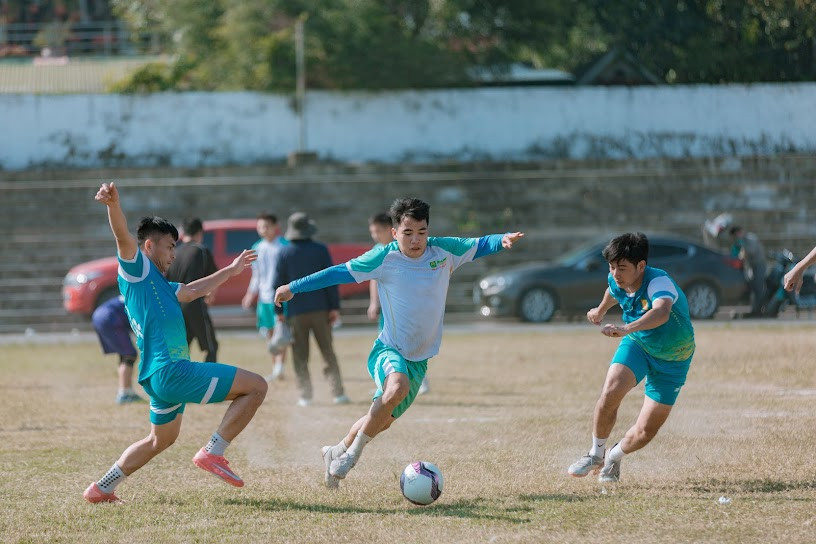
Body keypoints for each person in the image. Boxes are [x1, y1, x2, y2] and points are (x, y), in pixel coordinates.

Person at [274, 197, 523, 488]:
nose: (416, 240)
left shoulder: (444, 250)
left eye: (422, 231)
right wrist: (293, 287)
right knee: (397, 387)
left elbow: (480, 244)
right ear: (394, 233)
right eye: (408, 233)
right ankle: (351, 457)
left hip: (420, 359)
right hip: (389, 350)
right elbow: (337, 272)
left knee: (380, 419)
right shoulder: (383, 257)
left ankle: (336, 451)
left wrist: (501, 239)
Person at [83, 182, 267, 504]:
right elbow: (123, 237)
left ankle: (101, 488)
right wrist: (113, 205)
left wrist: (232, 270)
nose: (174, 254)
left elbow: (194, 290)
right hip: (172, 370)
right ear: (150, 246)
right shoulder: (137, 270)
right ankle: (213, 452)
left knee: (160, 440)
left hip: (157, 376)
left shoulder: (162, 286)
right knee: (256, 387)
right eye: (170, 247)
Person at [567, 232, 695, 483]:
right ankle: (596, 454)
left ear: (641, 266)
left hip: (674, 358)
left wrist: (625, 328)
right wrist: (600, 310)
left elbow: (662, 313)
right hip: (638, 345)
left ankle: (614, 457)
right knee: (610, 391)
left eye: (622, 268)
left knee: (646, 432)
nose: (616, 273)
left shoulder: (659, 283)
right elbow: (613, 289)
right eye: (612, 267)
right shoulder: (617, 278)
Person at [273, 212, 349, 407]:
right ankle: (338, 393)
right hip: (321, 309)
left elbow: (277, 283)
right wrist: (334, 307)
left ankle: (305, 396)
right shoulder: (321, 250)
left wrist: (279, 312)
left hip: (295, 312)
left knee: (300, 354)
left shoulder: (284, 252)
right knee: (327, 351)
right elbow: (332, 280)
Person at [366, 212, 430, 396]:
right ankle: (388, 381)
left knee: (411, 342)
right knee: (388, 345)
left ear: (390, 230)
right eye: (372, 232)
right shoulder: (377, 251)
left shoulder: (407, 249)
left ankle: (420, 380)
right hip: (388, 309)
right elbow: (373, 278)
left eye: (378, 231)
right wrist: (373, 303)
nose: (375, 235)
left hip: (406, 307)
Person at [242, 213, 288, 381]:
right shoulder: (257, 248)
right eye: (260, 226)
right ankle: (275, 366)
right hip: (264, 298)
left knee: (281, 333)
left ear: (276, 227)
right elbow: (256, 275)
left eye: (266, 226)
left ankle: (280, 367)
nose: (263, 230)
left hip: (281, 297)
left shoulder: (284, 245)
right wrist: (250, 294)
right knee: (269, 332)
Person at [165, 217, 219, 362]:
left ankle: (178, 379)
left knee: (182, 347)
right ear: (200, 232)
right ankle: (209, 380)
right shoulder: (201, 250)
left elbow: (167, 279)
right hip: (195, 304)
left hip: (176, 305)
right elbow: (214, 277)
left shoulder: (175, 253)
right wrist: (211, 294)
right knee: (211, 346)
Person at [91, 295, 144, 404]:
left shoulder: (133, 293)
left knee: (125, 354)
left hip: (98, 314)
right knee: (129, 355)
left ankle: (126, 391)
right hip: (110, 316)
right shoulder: (143, 299)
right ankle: (124, 392)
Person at [728, 225, 766, 318]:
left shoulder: (750, 238)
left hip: (759, 265)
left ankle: (759, 311)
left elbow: (752, 251)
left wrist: (742, 245)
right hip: (751, 267)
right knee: (752, 288)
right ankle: (754, 309)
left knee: (758, 287)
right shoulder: (741, 241)